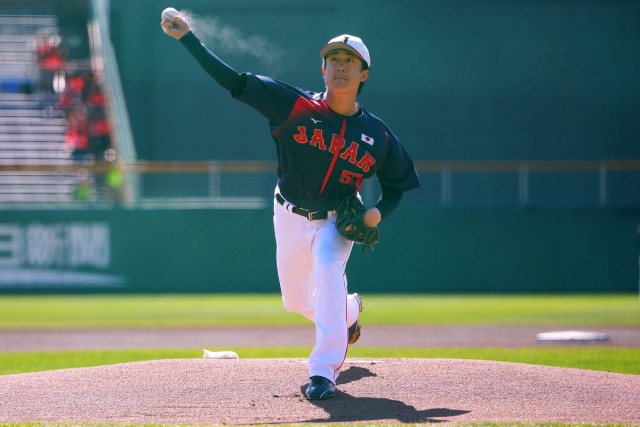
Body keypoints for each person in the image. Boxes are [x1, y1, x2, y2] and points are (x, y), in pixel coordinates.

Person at [161, 15, 420, 400]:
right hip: (288, 212)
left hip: (336, 221)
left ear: (364, 74)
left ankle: (323, 373)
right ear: (323, 69)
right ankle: (348, 311)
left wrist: (377, 212)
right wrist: (188, 39)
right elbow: (235, 82)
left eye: (350, 61)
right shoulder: (294, 105)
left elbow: (398, 184)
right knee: (296, 301)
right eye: (334, 60)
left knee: (329, 270)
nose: (341, 67)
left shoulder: (378, 135)